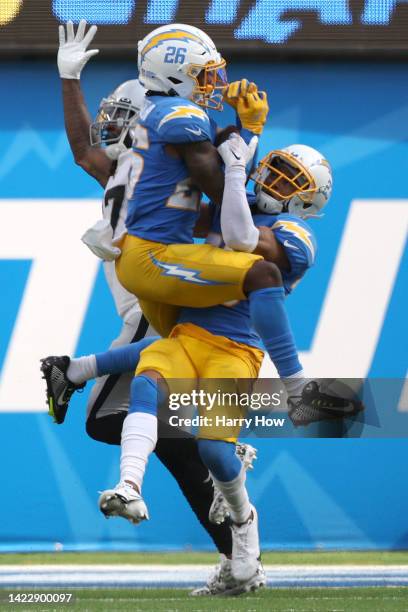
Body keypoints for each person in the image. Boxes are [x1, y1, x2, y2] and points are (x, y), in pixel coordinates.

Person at [41, 21, 265, 597]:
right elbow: (100, 159)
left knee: (117, 416)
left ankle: (232, 514)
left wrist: (70, 82)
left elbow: (95, 158)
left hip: (147, 268)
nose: (213, 85)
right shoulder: (170, 119)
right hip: (146, 265)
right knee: (145, 416)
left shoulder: (159, 115)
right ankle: (229, 504)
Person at [75, 135, 333, 583]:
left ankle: (244, 519)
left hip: (236, 349)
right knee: (146, 382)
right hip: (188, 333)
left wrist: (233, 171)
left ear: (305, 201)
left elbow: (245, 238)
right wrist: (122, 228)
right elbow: (172, 218)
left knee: (213, 449)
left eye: (289, 178)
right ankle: (129, 485)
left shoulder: (297, 235)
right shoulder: (235, 203)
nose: (272, 179)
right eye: (273, 168)